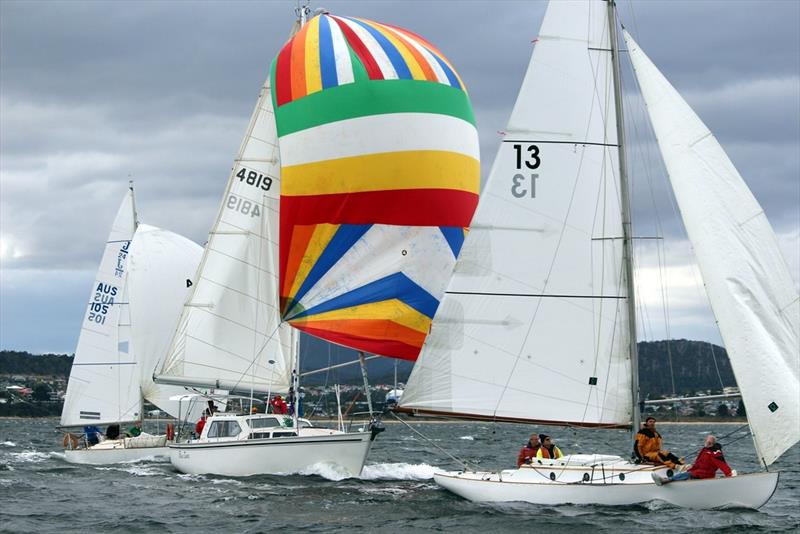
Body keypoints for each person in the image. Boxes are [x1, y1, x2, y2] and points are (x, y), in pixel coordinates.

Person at [653, 435, 734, 485]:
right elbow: (698, 463)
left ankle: (665, 481)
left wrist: (729, 474)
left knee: (686, 475)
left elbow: (722, 464)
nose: (707, 443)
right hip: (698, 472)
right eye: (707, 441)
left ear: (713, 443)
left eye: (710, 442)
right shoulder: (705, 450)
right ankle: (672, 481)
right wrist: (691, 469)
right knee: (686, 473)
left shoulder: (715, 453)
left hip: (705, 475)